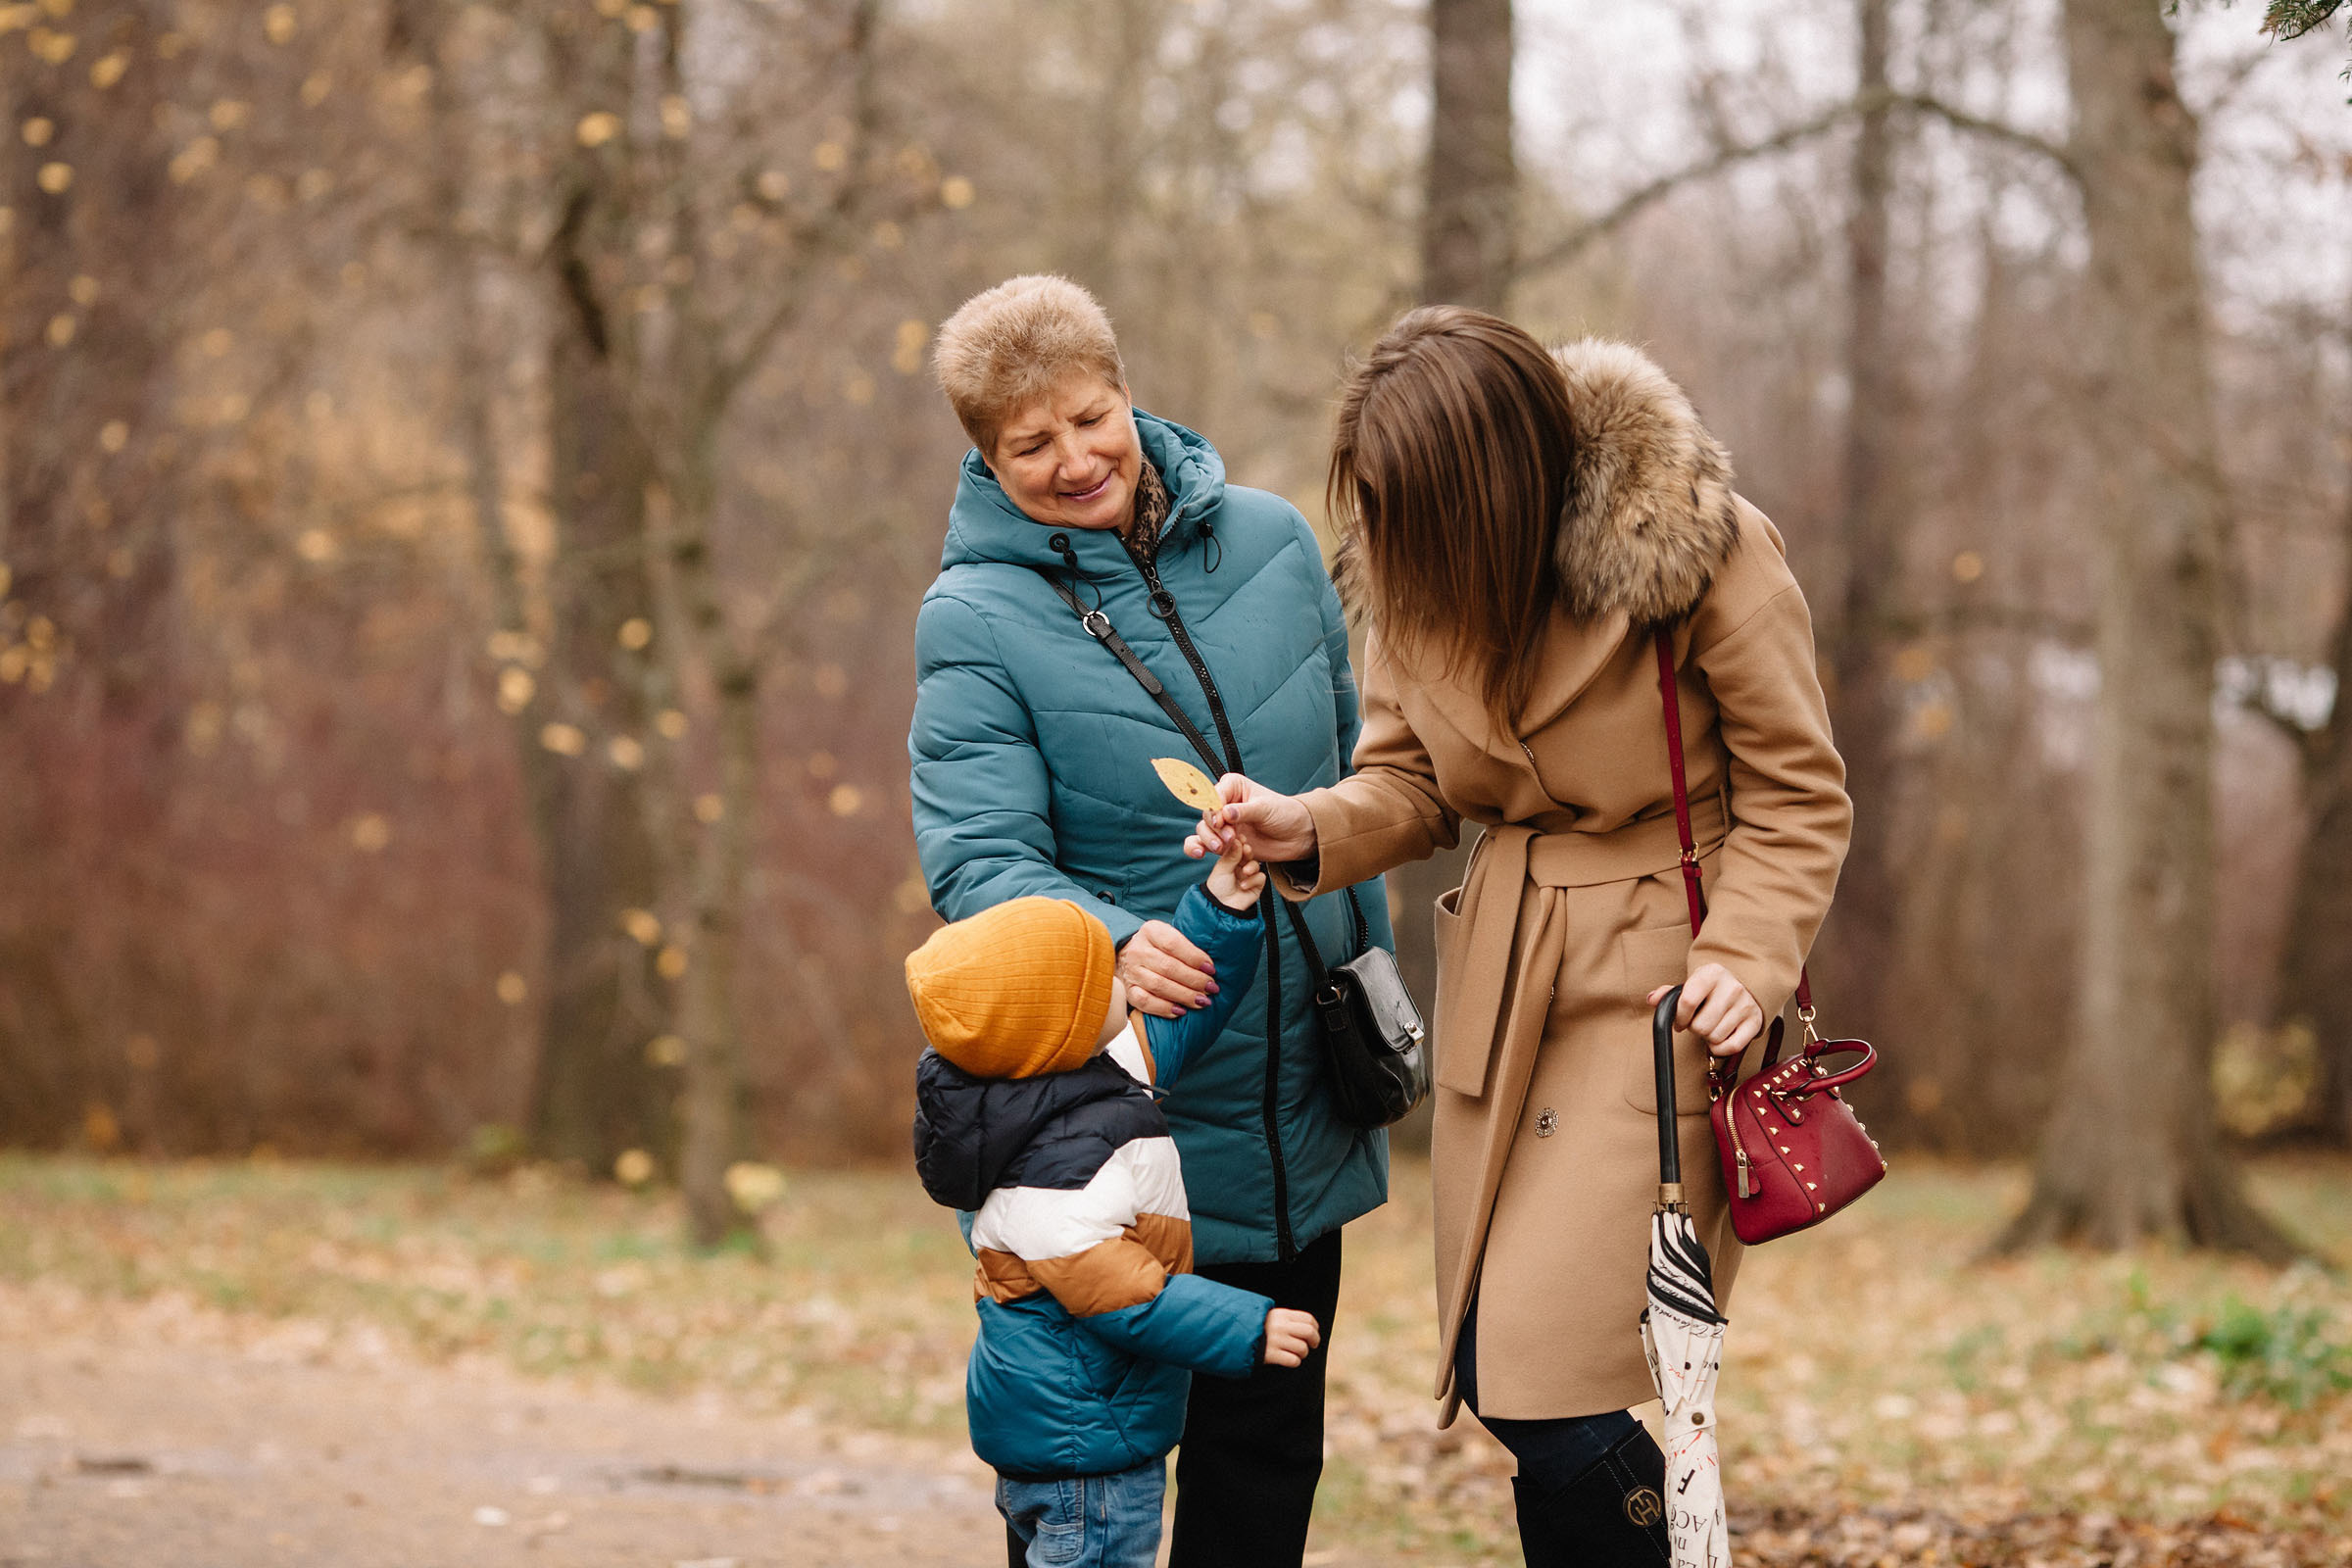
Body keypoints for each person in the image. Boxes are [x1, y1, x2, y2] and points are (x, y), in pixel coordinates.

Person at [1189, 309, 1852, 1567]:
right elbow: (1411, 782)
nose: (1402, 538)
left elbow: (1799, 792)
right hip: (1504, 991)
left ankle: (1684, 1546)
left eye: (1429, 507)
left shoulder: (1699, 548)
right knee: (1503, 1362)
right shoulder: (1416, 570)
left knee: (1548, 1379)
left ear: (1504, 479)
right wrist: (1304, 825)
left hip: (1661, 990)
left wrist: (1746, 961)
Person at [908, 274, 1390, 1565]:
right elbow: (978, 863)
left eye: (1090, 417)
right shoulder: (974, 621)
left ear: (1129, 392)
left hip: (1298, 1103)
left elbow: (1362, 778)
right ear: (984, 453)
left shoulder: (1279, 545)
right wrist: (1116, 939)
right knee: (1094, 1500)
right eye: (1030, 442)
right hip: (1122, 1134)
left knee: (1267, 1469)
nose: (1076, 460)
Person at [906, 838, 1322, 1568]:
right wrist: (1248, 1325)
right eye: (1105, 978)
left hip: (1089, 1425)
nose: (1128, 983)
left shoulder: (1076, 1080)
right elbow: (1127, 1298)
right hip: (1084, 1456)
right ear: (1061, 1022)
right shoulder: (1049, 1177)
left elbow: (1186, 1010)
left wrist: (1220, 908)